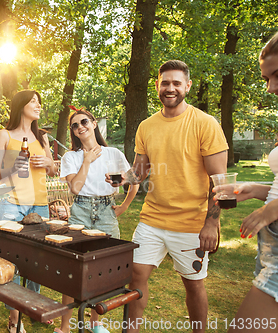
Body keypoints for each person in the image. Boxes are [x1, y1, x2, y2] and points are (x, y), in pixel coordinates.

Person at [122, 60, 229, 333]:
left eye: (176, 83)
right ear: (157, 85)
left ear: (187, 86)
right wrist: (117, 178)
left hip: (192, 224)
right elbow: (139, 171)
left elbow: (220, 181)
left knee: (194, 285)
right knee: (135, 276)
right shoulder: (146, 126)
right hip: (152, 219)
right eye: (165, 83)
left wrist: (210, 223)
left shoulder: (206, 123)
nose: (170, 88)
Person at [214, 31, 278, 333]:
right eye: (267, 79)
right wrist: (256, 190)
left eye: (276, 75)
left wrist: (270, 211)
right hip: (269, 250)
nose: (271, 87)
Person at [56, 107, 139, 333]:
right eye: (75, 125)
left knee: (103, 270)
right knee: (71, 271)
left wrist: (122, 207)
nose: (80, 126)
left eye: (84, 122)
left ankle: (95, 323)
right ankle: (64, 328)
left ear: (93, 123)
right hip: (80, 210)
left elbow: (135, 180)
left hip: (105, 212)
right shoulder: (70, 157)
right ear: (73, 132)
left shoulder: (113, 153)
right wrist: (86, 161)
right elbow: (75, 187)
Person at [0, 89, 57, 333]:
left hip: (39, 203)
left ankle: (34, 306)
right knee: (13, 259)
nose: (38, 105)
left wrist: (48, 162)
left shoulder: (42, 137)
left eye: (40, 101)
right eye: (33, 101)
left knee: (39, 259)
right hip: (11, 203)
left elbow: (52, 171)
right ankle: (14, 316)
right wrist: (13, 166)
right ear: (20, 105)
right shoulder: (4, 135)